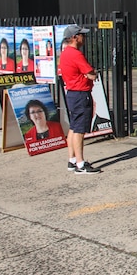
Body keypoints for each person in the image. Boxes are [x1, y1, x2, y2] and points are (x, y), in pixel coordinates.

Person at [59, 25, 100, 174]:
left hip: (72, 93)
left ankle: (72, 160)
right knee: (79, 130)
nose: (84, 38)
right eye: (82, 35)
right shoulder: (76, 54)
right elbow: (91, 73)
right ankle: (81, 164)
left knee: (73, 127)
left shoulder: (65, 53)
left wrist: (87, 74)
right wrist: (90, 74)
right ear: (75, 37)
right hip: (81, 94)